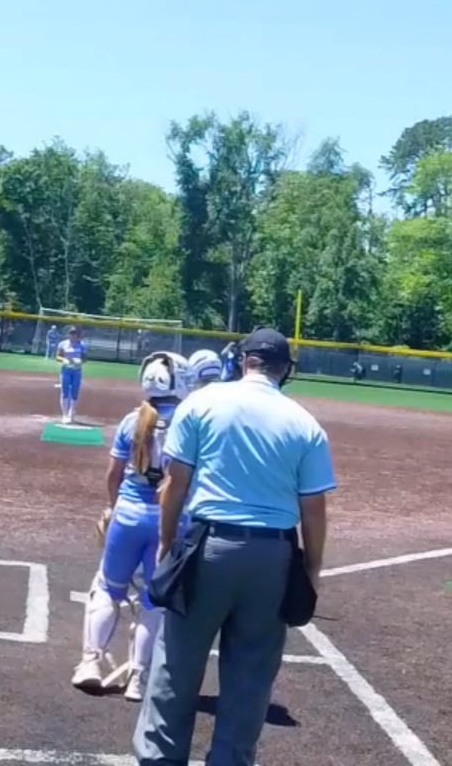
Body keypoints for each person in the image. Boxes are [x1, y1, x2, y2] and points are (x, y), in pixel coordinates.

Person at [134, 328, 335, 766]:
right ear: (285, 370)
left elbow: (174, 485)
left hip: (206, 549)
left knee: (176, 667)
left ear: (244, 361)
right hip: (273, 558)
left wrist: (167, 546)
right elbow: (314, 510)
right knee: (250, 679)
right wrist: (312, 570)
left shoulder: (202, 403)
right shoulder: (305, 424)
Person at [74, 350, 192, 701]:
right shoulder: (188, 423)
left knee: (107, 589)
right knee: (153, 601)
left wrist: (113, 508)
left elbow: (113, 475)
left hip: (128, 513)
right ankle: (138, 678)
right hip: (169, 519)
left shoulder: (133, 420)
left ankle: (90, 662)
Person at [56, 326, 88, 424]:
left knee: (75, 392)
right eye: (71, 334)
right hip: (66, 370)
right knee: (65, 391)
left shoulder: (82, 345)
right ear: (68, 335)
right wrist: (64, 360)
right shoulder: (63, 344)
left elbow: (85, 358)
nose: (73, 336)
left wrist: (79, 361)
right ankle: (64, 414)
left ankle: (71, 413)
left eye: (75, 334)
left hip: (77, 371)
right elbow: (58, 356)